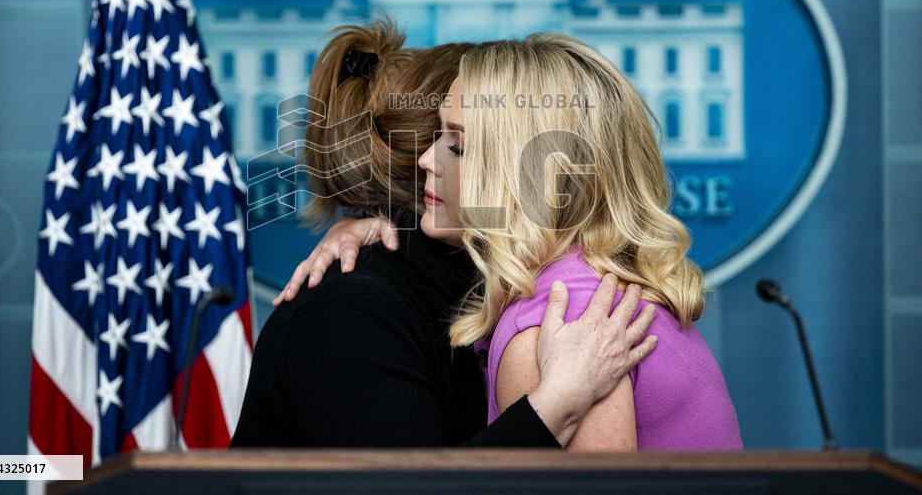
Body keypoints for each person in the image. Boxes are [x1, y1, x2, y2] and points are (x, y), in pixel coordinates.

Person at [277, 31, 743, 451]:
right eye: (437, 136)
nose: (426, 159)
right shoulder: (569, 305)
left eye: (456, 143)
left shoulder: (563, 320)